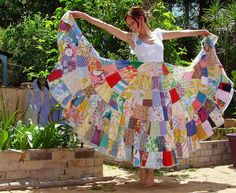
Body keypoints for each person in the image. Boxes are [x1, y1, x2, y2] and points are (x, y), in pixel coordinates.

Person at [48, 6, 234, 187]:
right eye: (129, 25)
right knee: (139, 129)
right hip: (139, 90)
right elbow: (105, 25)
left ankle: (150, 174)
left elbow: (181, 32)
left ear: (141, 18)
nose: (131, 27)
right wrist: (83, 16)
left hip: (161, 88)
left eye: (132, 23)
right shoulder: (132, 39)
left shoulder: (159, 33)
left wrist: (200, 32)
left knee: (157, 129)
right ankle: (142, 174)